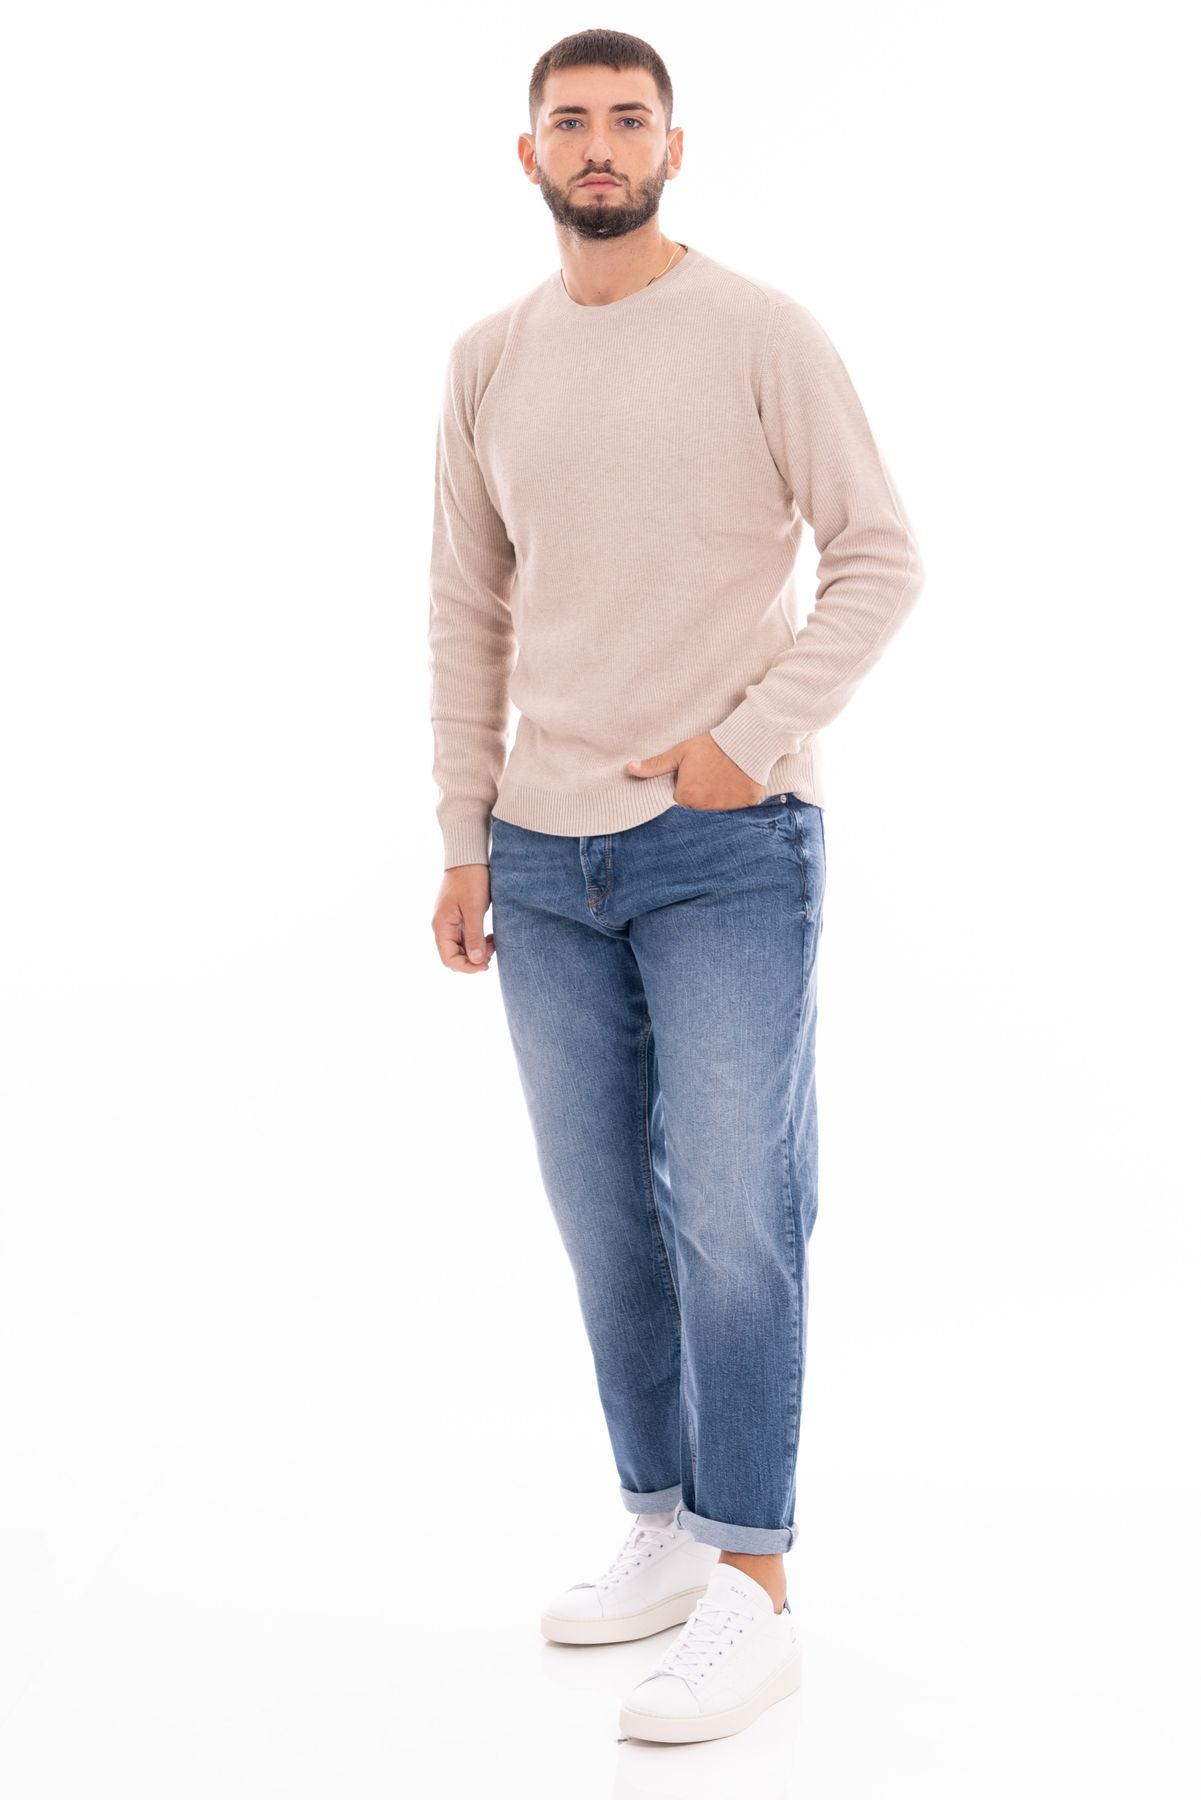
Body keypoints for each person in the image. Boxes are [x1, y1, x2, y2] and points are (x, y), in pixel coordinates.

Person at [427, 29, 924, 1745]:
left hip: (724, 844)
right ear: (527, 155)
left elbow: (880, 555)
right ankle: (660, 1521)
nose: (599, 143)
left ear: (672, 147)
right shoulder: (487, 360)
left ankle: (753, 1581)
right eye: (568, 120)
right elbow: (465, 608)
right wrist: (464, 831)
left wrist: (744, 740)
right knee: (601, 1216)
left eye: (626, 119)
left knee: (735, 1208)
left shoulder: (760, 334)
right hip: (540, 853)